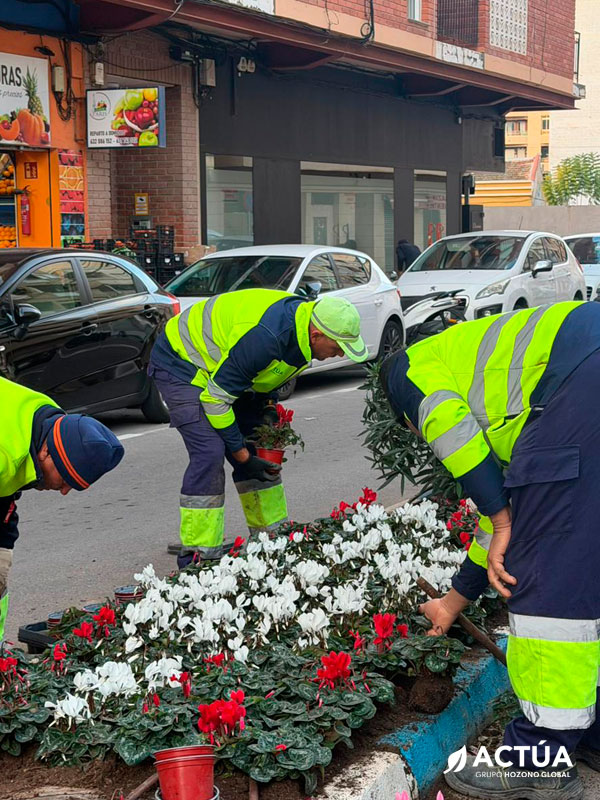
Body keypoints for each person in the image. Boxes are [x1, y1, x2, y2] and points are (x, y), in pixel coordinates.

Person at [379, 300, 600, 800]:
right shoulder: (496, 387)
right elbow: (498, 526)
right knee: (589, 564)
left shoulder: (407, 374)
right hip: (585, 374)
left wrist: (501, 517)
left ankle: (537, 760)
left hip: (582, 386)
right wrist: (452, 603)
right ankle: (589, 729)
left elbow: (468, 459)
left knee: (553, 584)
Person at [148, 288, 368, 568]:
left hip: (225, 370)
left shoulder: (301, 335)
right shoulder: (267, 337)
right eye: (337, 347)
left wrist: (265, 414)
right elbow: (215, 399)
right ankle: (198, 556)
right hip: (182, 363)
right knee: (210, 451)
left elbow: (267, 378)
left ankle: (271, 538)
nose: (338, 355)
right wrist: (242, 456)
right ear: (317, 335)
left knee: (261, 446)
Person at [0, 378, 124, 641]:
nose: (64, 491)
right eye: (65, 479)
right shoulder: (6, 455)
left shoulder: (48, 421)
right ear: (46, 452)